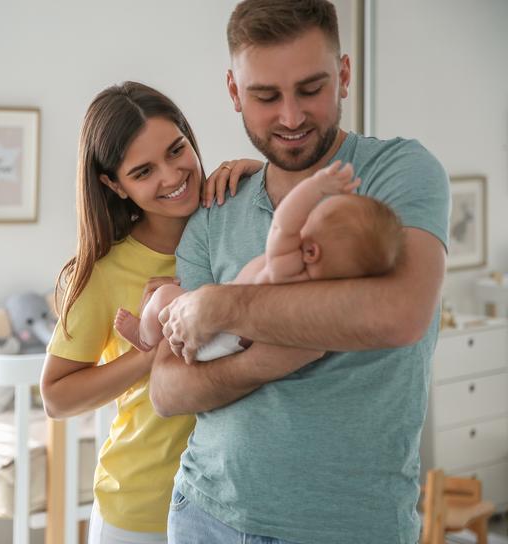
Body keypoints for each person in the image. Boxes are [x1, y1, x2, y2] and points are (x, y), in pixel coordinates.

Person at [148, 1, 450, 543]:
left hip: (348, 528)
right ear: (235, 93)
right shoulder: (215, 209)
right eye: (266, 96)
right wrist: (271, 358)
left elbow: (398, 313)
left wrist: (220, 306)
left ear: (344, 76)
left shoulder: (397, 173)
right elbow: (168, 390)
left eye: (311, 89)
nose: (290, 117)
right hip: (204, 517)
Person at [40, 81, 261, 544]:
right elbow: (56, 397)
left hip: (241, 504)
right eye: (143, 172)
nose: (171, 175)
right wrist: (148, 353)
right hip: (142, 508)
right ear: (113, 185)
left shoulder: (237, 216)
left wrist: (265, 179)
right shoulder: (105, 272)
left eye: (176, 150)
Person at [115, 160, 404, 362]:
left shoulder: (289, 265)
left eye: (315, 217)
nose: (304, 221)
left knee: (164, 295)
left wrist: (315, 186)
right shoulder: (320, 289)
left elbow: (283, 223)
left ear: (313, 251)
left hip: (215, 334)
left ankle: (145, 337)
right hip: (231, 338)